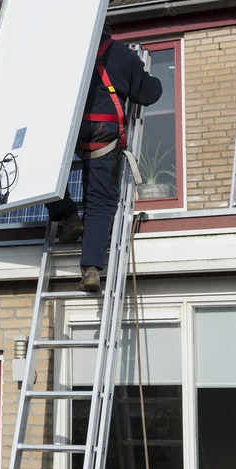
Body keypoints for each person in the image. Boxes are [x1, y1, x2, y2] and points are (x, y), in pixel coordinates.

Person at [46, 20, 162, 292]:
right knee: (99, 201)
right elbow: (146, 93)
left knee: (41, 174)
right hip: (103, 132)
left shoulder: (67, 54)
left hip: (70, 130)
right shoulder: (122, 54)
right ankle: (91, 269)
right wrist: (153, 79)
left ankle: (68, 214)